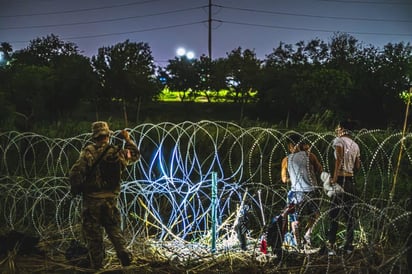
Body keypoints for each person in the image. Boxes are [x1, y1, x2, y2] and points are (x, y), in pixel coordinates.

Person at [69, 121, 140, 269]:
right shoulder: (117, 152)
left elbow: (76, 172)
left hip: (92, 200)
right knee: (113, 229)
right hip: (110, 199)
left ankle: (98, 266)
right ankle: (123, 252)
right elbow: (135, 155)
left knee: (94, 234)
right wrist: (127, 139)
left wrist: (76, 188)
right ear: (108, 135)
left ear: (94, 137)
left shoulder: (88, 152)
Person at [281, 134, 323, 248]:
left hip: (297, 192)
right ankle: (307, 235)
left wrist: (294, 178)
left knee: (296, 218)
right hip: (312, 190)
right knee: (315, 215)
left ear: (290, 146)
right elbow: (320, 170)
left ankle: (298, 243)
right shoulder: (310, 155)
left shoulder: (286, 160)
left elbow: (284, 179)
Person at [326, 120, 361, 255]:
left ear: (342, 129)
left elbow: (339, 159)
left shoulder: (338, 141)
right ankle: (348, 245)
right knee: (349, 214)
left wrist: (334, 178)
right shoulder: (355, 145)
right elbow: (357, 166)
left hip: (340, 180)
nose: (336, 130)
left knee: (333, 213)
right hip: (350, 181)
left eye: (338, 127)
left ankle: (331, 245)